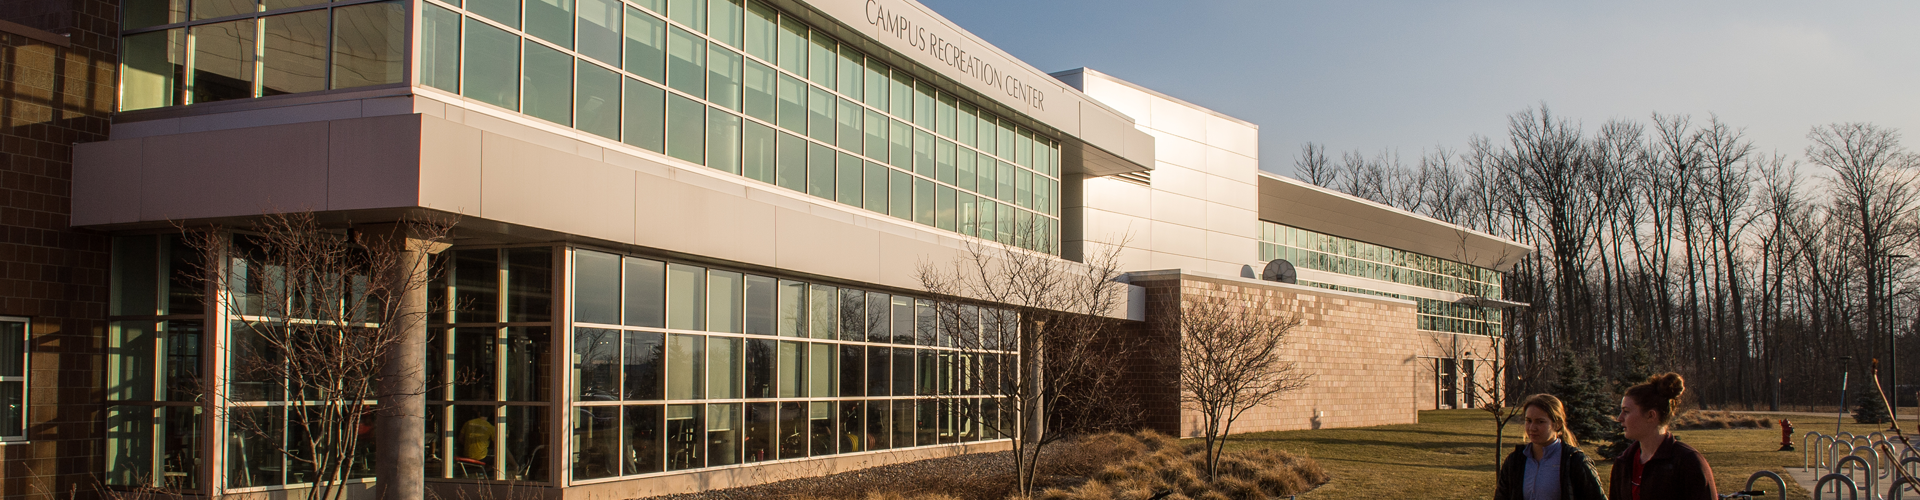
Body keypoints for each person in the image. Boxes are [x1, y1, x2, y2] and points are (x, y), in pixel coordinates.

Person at [1609, 373, 1716, 500]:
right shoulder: (1624, 463)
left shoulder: (1688, 462)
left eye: (1626, 411)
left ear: (1651, 415)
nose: (1619, 418)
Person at [1494, 393, 1607, 500]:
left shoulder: (1575, 461)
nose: (1532, 427)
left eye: (1540, 422)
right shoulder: (1515, 461)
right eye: (1528, 421)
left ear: (1557, 424)